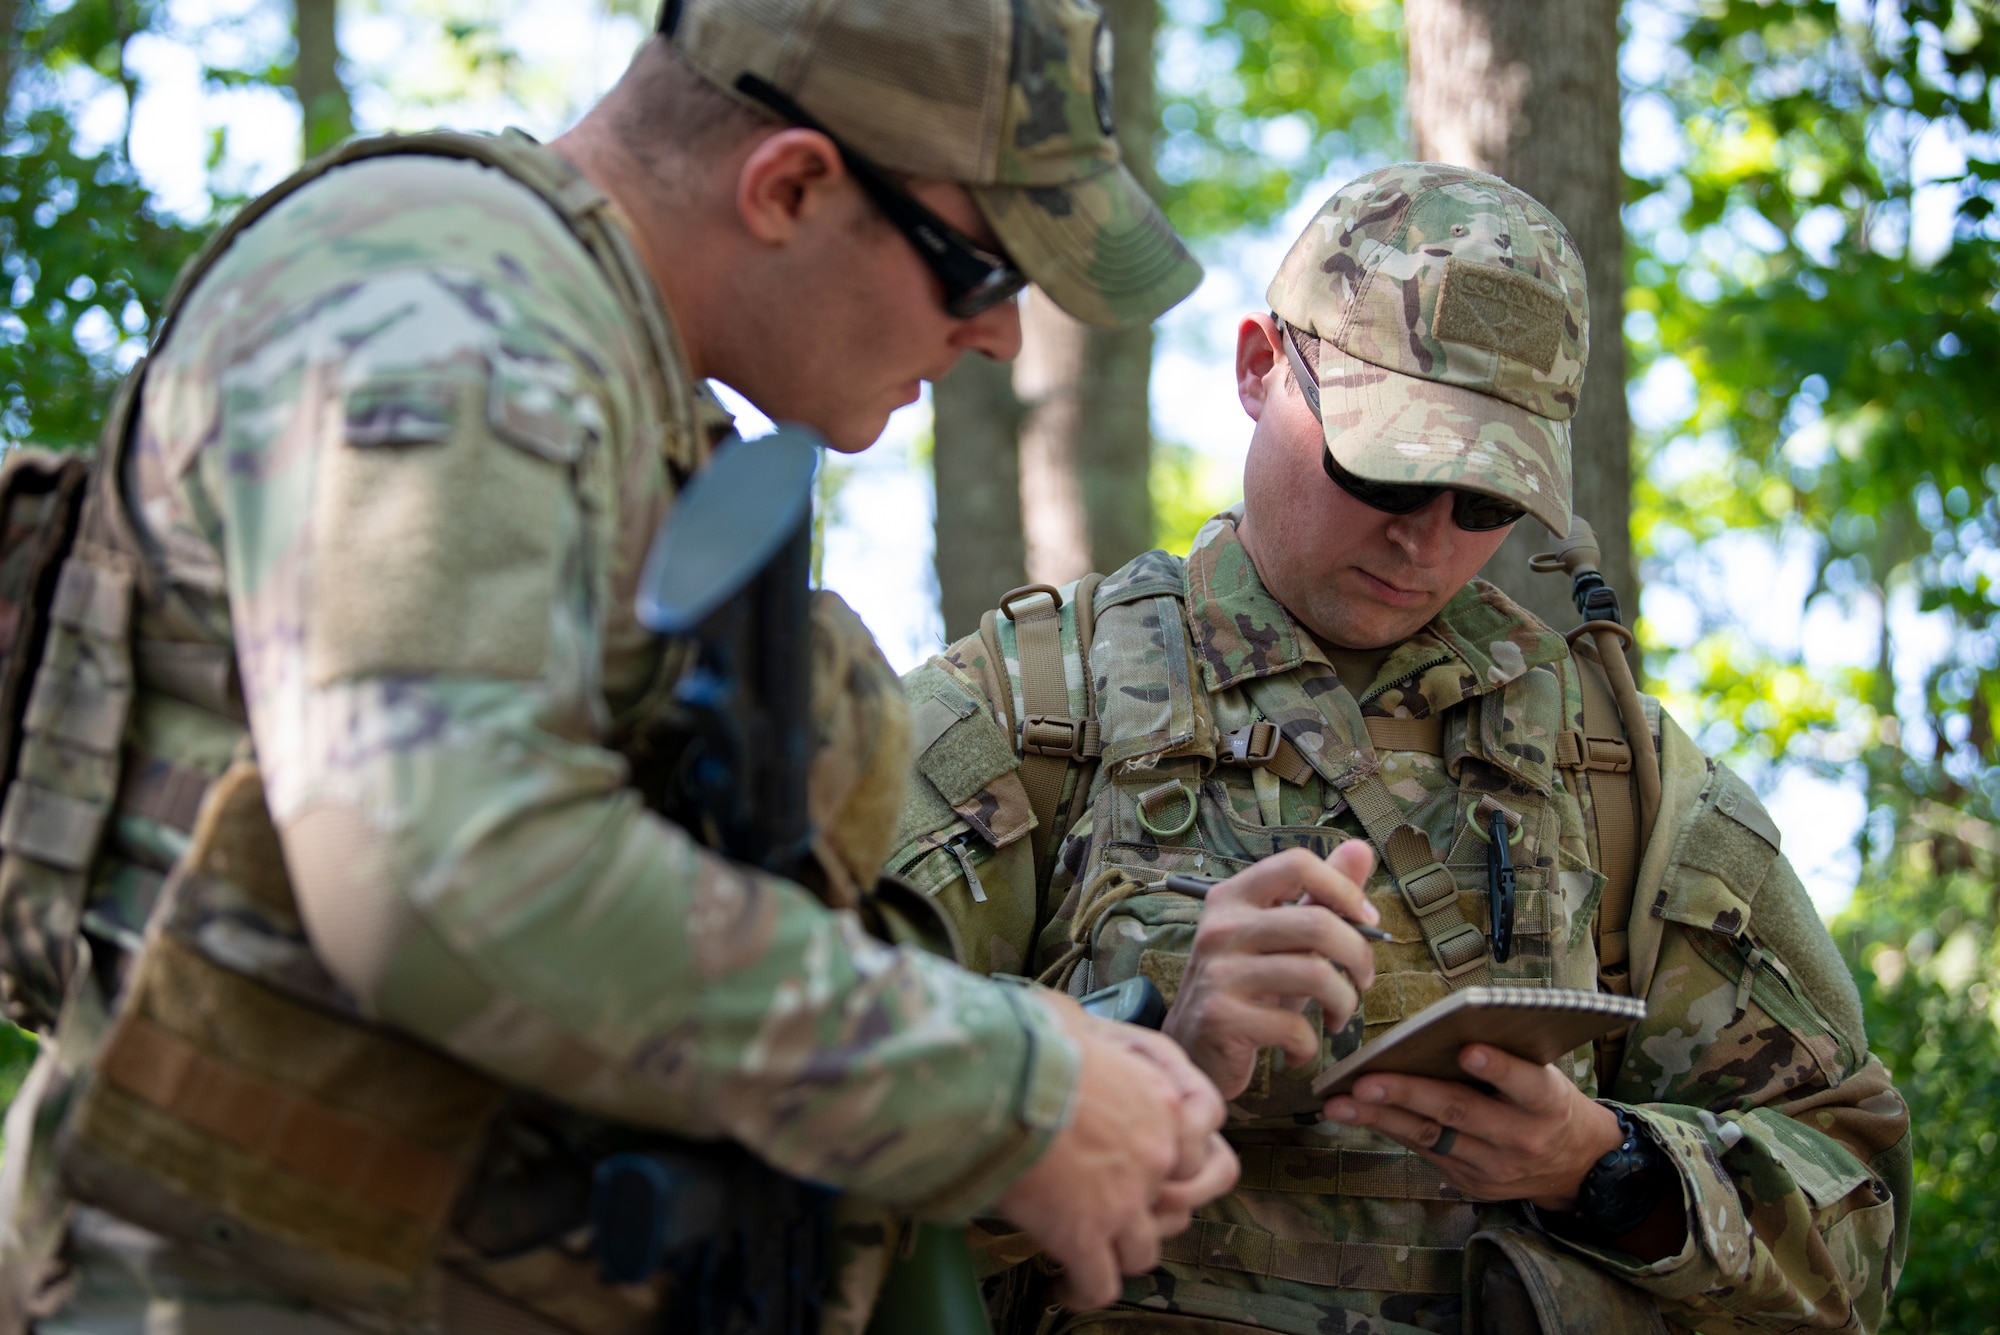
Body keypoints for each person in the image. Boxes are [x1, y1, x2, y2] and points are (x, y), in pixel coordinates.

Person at [0, 1, 1242, 1331]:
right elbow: (435, 866)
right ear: (794, 186)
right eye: (982, 271)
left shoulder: (623, 395)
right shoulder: (442, 309)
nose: (999, 336)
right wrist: (1003, 1087)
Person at [889, 164, 1911, 1335]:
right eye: (1384, 469)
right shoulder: (1022, 721)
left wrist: (1609, 1167)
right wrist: (1146, 1055)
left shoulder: (1614, 771)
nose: (1423, 539)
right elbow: (774, 1149)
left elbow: (1856, 1222)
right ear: (1258, 366)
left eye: (1485, 502)